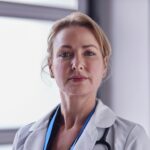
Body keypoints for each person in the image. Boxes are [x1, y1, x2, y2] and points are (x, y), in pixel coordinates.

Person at [12, 12, 150, 150]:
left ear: (104, 65)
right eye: (65, 54)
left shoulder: (130, 138)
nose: (77, 64)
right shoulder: (24, 139)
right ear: (51, 67)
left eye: (89, 53)